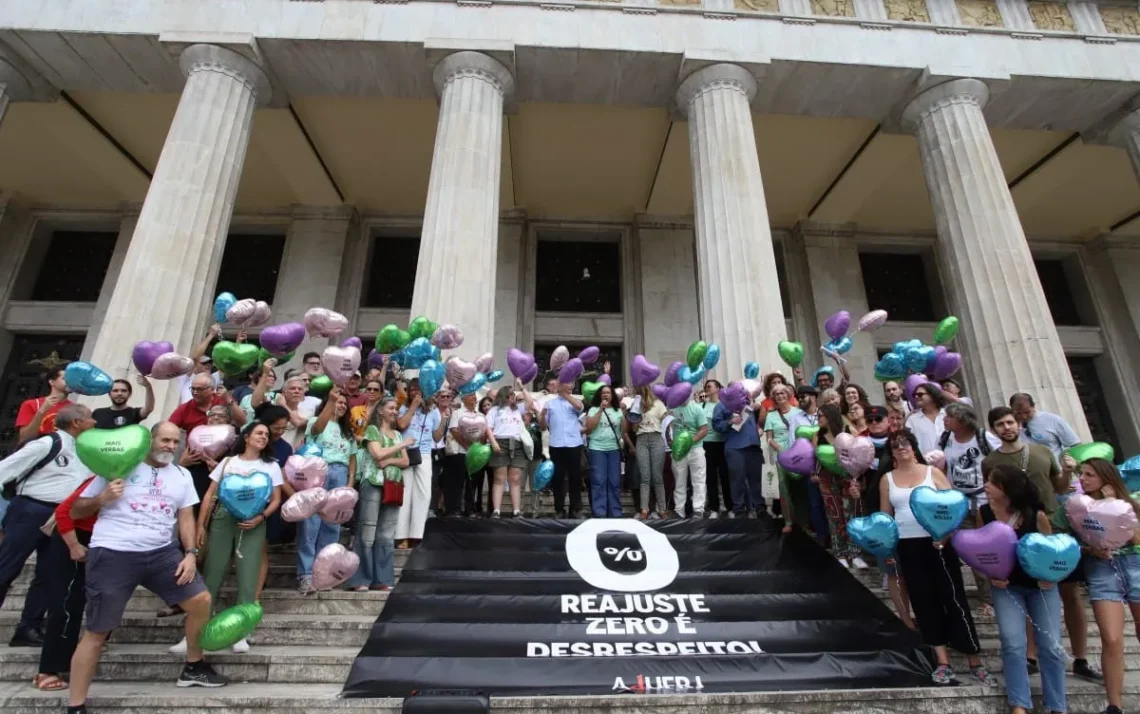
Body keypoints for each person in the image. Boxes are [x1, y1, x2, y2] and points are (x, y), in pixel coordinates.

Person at [68, 422, 225, 713]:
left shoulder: (182, 475)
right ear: (150, 440)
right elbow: (75, 509)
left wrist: (190, 553)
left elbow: (186, 517)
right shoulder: (121, 465)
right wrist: (103, 499)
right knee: (98, 631)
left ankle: (193, 667)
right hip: (114, 552)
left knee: (201, 599)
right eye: (164, 440)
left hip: (161, 554)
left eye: (174, 441)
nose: (169, 446)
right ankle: (76, 705)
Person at [985, 405, 1101, 684]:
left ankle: (1081, 658)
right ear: (994, 430)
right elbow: (994, 498)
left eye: (1010, 422)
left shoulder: (1041, 452)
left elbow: (1060, 487)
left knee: (1070, 595)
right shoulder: (991, 461)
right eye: (1000, 425)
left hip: (1056, 529)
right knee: (1027, 593)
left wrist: (1068, 472)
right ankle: (1031, 655)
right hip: (1020, 533)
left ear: (1019, 424)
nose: (1007, 428)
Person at [878, 428, 994, 687]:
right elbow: (886, 517)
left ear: (914, 446)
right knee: (923, 600)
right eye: (895, 446)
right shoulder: (887, 479)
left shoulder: (933, 473)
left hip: (939, 543)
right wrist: (886, 549)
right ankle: (942, 661)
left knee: (954, 598)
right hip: (907, 545)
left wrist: (946, 535)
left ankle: (974, 658)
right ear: (891, 452)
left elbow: (954, 505)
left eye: (905, 443)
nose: (901, 448)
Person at [171, 422, 283, 654]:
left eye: (266, 434)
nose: (264, 437)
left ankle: (241, 633)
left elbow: (275, 499)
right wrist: (201, 525)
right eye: (259, 433)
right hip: (223, 518)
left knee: (248, 575)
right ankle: (192, 634)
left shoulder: (271, 465)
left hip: (253, 521)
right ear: (247, 436)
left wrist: (261, 518)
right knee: (213, 572)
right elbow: (210, 495)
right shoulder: (228, 462)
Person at [0, 404, 94, 646]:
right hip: (30, 510)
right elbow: (5, 470)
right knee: (7, 567)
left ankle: (28, 628)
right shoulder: (46, 444)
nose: (94, 422)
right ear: (76, 423)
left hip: (60, 516)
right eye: (90, 418)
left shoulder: (85, 450)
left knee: (47, 573)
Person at [980, 464, 1067, 714]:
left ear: (1006, 487)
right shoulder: (984, 513)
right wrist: (992, 575)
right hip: (1006, 587)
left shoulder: (1035, 515)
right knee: (1012, 643)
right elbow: (983, 552)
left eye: (992, 482)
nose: (986, 486)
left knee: (1050, 645)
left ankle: (1057, 705)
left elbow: (1051, 550)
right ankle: (1019, 703)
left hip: (1041, 587)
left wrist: (1051, 576)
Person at [1071, 458, 1140, 714]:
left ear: (1105, 477)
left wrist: (1115, 505)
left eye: (1089, 474)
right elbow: (1070, 540)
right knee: (1111, 638)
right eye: (1081, 474)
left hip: (1134, 565)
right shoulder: (1078, 506)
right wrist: (1090, 548)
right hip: (1101, 569)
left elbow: (1136, 537)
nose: (1083, 479)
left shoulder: (1130, 501)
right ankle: (1114, 706)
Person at [32, 472, 99, 691]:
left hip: (104, 540)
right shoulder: (103, 478)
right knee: (67, 603)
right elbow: (63, 513)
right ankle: (48, 669)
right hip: (72, 537)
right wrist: (73, 545)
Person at [350, 396, 413, 591]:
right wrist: (401, 446)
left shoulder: (398, 434)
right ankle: (360, 579)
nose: (395, 411)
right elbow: (377, 454)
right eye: (392, 408)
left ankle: (382, 580)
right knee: (367, 531)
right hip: (373, 482)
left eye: (396, 409)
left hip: (393, 483)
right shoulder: (372, 430)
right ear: (380, 411)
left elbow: (405, 462)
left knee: (386, 534)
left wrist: (389, 461)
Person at [297, 387, 355, 592]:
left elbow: (352, 458)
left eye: (343, 404)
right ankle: (306, 574)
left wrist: (349, 483)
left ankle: (324, 575)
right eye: (338, 402)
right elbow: (317, 430)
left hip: (340, 473)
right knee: (310, 524)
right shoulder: (316, 422)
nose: (341, 405)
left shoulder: (348, 432)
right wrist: (331, 401)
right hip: (319, 472)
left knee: (332, 526)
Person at [862, 405, 914, 628]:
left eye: (878, 418)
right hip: (876, 503)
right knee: (892, 567)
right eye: (870, 419)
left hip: (906, 507)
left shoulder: (900, 443)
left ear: (888, 421)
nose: (874, 422)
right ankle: (905, 618)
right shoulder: (861, 444)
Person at [396, 382, 444, 546]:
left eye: (418, 389)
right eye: (412, 389)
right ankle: (401, 536)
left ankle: (417, 535)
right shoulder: (403, 407)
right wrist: (413, 407)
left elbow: (437, 437)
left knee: (423, 495)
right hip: (406, 453)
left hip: (424, 454)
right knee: (405, 494)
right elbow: (401, 425)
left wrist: (444, 418)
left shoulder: (433, 410)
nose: (414, 392)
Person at [814, 403, 862, 567]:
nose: (818, 419)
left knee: (851, 514)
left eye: (820, 415)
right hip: (827, 479)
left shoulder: (848, 431)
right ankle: (840, 553)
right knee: (834, 515)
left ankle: (854, 553)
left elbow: (860, 451)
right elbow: (814, 458)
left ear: (830, 416)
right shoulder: (817, 435)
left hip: (847, 477)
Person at [712, 390, 765, 519]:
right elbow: (716, 425)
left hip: (753, 445)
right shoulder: (721, 405)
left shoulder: (748, 404)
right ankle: (739, 510)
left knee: (757, 480)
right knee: (737, 480)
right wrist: (729, 422)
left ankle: (760, 508)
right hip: (735, 447)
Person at [486, 381, 536, 518]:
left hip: (517, 443)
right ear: (503, 396)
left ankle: (516, 510)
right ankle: (496, 510)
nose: (513, 397)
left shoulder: (517, 409)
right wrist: (493, 442)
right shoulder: (494, 410)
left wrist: (521, 387)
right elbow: (488, 427)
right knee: (499, 478)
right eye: (510, 395)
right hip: (500, 442)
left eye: (513, 395)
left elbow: (530, 402)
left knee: (515, 478)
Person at [765, 384, 808, 534]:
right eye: (776, 394)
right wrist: (780, 449)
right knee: (784, 488)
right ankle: (788, 521)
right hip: (781, 456)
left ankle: (804, 521)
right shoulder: (771, 415)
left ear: (788, 394)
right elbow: (769, 439)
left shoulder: (799, 412)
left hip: (798, 455)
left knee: (801, 487)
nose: (780, 396)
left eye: (782, 393)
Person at [538, 380, 585, 518]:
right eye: (568, 383)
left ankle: (575, 508)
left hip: (574, 444)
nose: (571, 385)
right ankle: (559, 509)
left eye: (572, 383)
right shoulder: (550, 403)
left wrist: (566, 395)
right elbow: (543, 426)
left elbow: (579, 407)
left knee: (575, 478)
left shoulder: (576, 401)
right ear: (560, 385)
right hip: (556, 445)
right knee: (558, 478)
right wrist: (542, 415)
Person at [789, 386, 827, 540]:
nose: (800, 399)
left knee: (831, 501)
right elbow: (793, 441)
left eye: (803, 396)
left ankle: (836, 536)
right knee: (815, 502)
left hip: (828, 462)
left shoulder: (824, 414)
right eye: (798, 397)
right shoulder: (796, 418)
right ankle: (822, 536)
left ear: (813, 397)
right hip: (810, 464)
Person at [585, 385, 627, 518]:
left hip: (613, 449)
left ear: (612, 396)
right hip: (597, 449)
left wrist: (624, 414)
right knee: (598, 481)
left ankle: (615, 512)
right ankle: (599, 512)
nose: (606, 395)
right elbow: (589, 428)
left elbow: (624, 430)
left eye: (608, 393)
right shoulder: (593, 409)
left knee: (614, 481)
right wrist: (600, 411)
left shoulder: (617, 411)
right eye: (603, 393)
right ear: (599, 395)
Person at [629, 385, 667, 520]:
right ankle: (644, 509)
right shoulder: (636, 404)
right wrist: (635, 416)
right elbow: (634, 429)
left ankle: (662, 509)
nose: (638, 392)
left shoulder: (658, 404)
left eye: (640, 389)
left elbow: (667, 421)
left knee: (657, 476)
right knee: (644, 477)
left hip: (656, 438)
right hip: (642, 439)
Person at [669, 391, 709, 519]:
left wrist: (690, 441)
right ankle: (679, 510)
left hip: (695, 449)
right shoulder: (672, 408)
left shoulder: (697, 408)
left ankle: (698, 509)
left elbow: (704, 429)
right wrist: (670, 441)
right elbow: (667, 427)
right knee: (679, 480)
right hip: (679, 451)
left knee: (698, 480)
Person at [1010, 392, 1081, 464]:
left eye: (1027, 412)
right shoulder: (1008, 425)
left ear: (1033, 406)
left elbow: (1075, 445)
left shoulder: (1053, 420)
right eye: (1018, 413)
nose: (1023, 417)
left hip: (1055, 470)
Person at [170, 373, 245, 434]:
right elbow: (168, 428)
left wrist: (228, 400)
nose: (195, 392)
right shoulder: (185, 408)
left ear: (212, 389)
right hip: (195, 450)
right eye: (193, 388)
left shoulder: (224, 400)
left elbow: (242, 422)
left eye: (199, 389)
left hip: (224, 449)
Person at [16, 365, 74, 443]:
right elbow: (24, 438)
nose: (69, 382)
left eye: (71, 379)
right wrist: (42, 411)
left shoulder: (74, 408)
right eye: (64, 379)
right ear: (52, 382)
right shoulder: (32, 404)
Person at [700, 381, 732, 519]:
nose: (707, 389)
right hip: (707, 443)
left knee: (726, 476)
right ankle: (714, 508)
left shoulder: (726, 405)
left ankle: (730, 507)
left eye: (709, 386)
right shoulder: (702, 405)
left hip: (723, 442)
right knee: (710, 477)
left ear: (718, 389)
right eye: (706, 387)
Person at [444, 391, 479, 516]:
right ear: (463, 398)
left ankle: (470, 509)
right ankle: (454, 509)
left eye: (475, 395)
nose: (474, 397)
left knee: (471, 482)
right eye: (471, 395)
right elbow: (454, 430)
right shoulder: (458, 413)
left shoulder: (478, 414)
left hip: (474, 454)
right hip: (459, 452)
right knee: (456, 481)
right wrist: (466, 445)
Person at [178, 324, 223, 404]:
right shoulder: (186, 378)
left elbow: (228, 366)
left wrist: (238, 342)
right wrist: (211, 335)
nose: (208, 365)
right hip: (189, 415)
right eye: (204, 363)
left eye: (210, 362)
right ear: (195, 367)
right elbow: (195, 358)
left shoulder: (213, 378)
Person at [905, 383, 948, 454]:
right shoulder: (912, 420)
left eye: (920, 394)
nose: (916, 397)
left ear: (932, 395)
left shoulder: (948, 414)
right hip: (926, 463)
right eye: (914, 395)